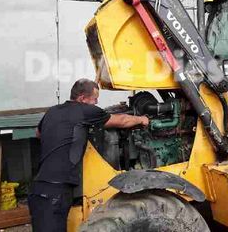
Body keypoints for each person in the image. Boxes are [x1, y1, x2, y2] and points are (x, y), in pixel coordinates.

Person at [28, 78, 149, 232]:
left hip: (39, 188)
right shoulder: (84, 111)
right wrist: (142, 119)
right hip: (56, 193)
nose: (96, 103)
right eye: (95, 99)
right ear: (82, 99)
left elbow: (38, 133)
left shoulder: (52, 111)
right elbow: (123, 120)